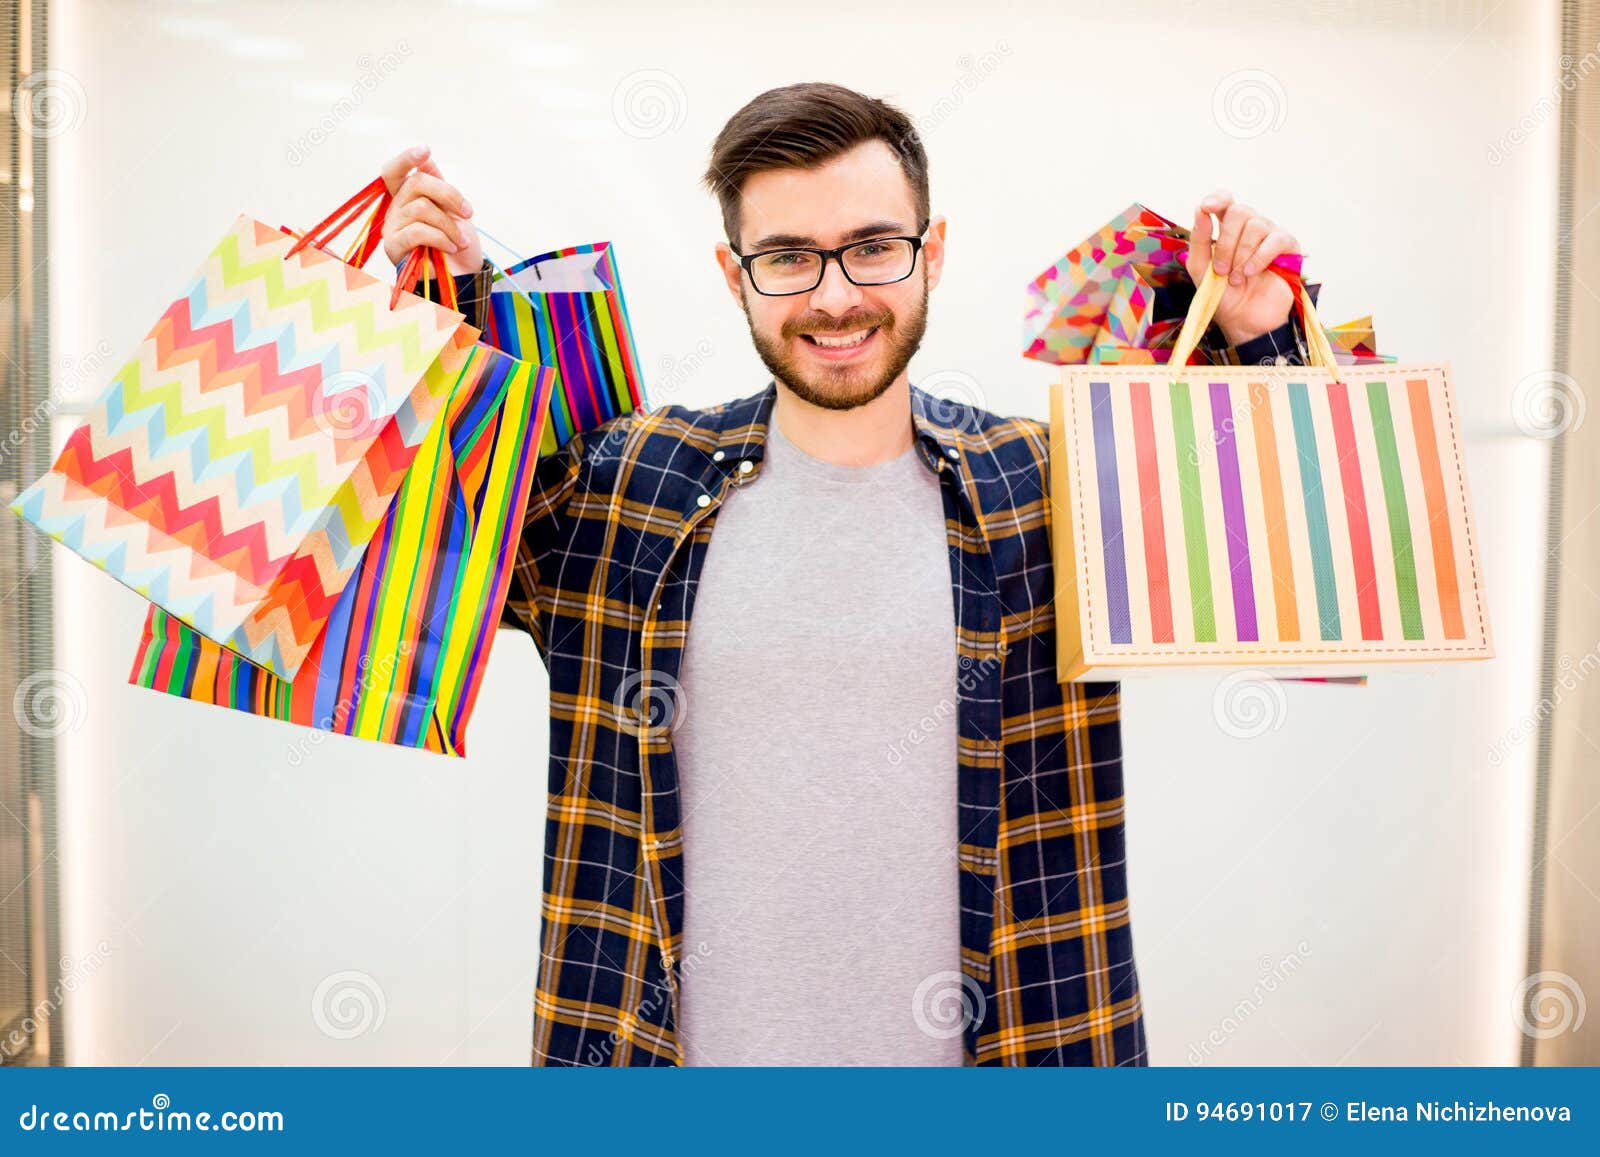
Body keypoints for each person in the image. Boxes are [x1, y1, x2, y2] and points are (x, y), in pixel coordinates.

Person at [378, 82, 1308, 1067]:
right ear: (733, 275)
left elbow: (1281, 587)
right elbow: (447, 544)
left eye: (871, 246)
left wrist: (1261, 335)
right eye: (786, 257)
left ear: (932, 251)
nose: (832, 295)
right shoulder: (629, 485)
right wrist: (446, 299)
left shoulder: (1047, 486)